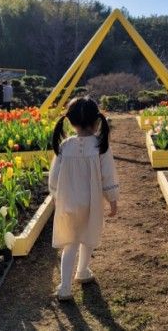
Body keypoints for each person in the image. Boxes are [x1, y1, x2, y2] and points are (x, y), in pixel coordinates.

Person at [48, 97, 118, 302]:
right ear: (97, 121)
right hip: (91, 203)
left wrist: (55, 196)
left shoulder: (65, 146)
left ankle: (65, 287)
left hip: (68, 201)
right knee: (88, 236)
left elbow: (54, 176)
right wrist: (112, 199)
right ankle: (83, 271)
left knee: (70, 242)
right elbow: (108, 175)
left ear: (70, 122)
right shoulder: (100, 146)